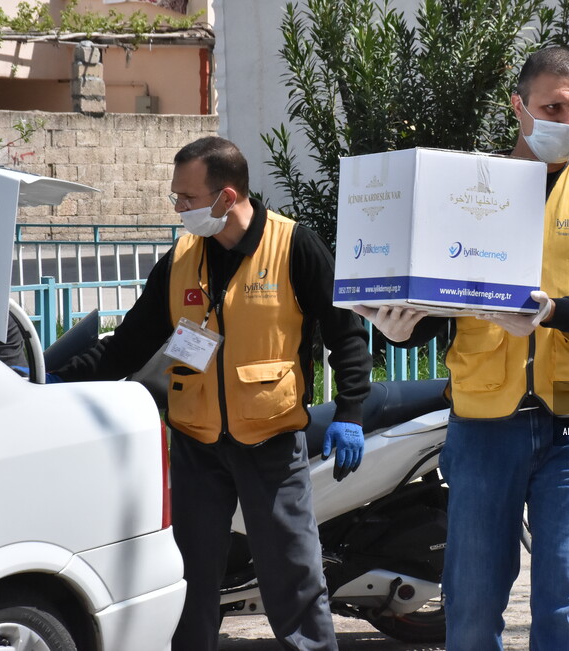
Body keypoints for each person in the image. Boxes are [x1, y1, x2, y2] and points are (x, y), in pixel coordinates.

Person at [355, 46, 569, 650]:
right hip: (485, 419)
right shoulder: (469, 188)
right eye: (551, 107)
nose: (566, 123)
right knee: (472, 597)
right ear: (519, 106)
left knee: (567, 598)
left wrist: (553, 312)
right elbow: (443, 301)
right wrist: (402, 326)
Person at [55, 136, 372, 651]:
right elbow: (128, 345)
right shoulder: (181, 258)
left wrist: (351, 408)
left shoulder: (293, 245)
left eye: (187, 197)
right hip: (196, 444)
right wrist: (52, 381)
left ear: (226, 197)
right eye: (176, 197)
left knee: (293, 576)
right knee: (189, 580)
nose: (178, 208)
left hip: (270, 441)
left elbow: (346, 333)